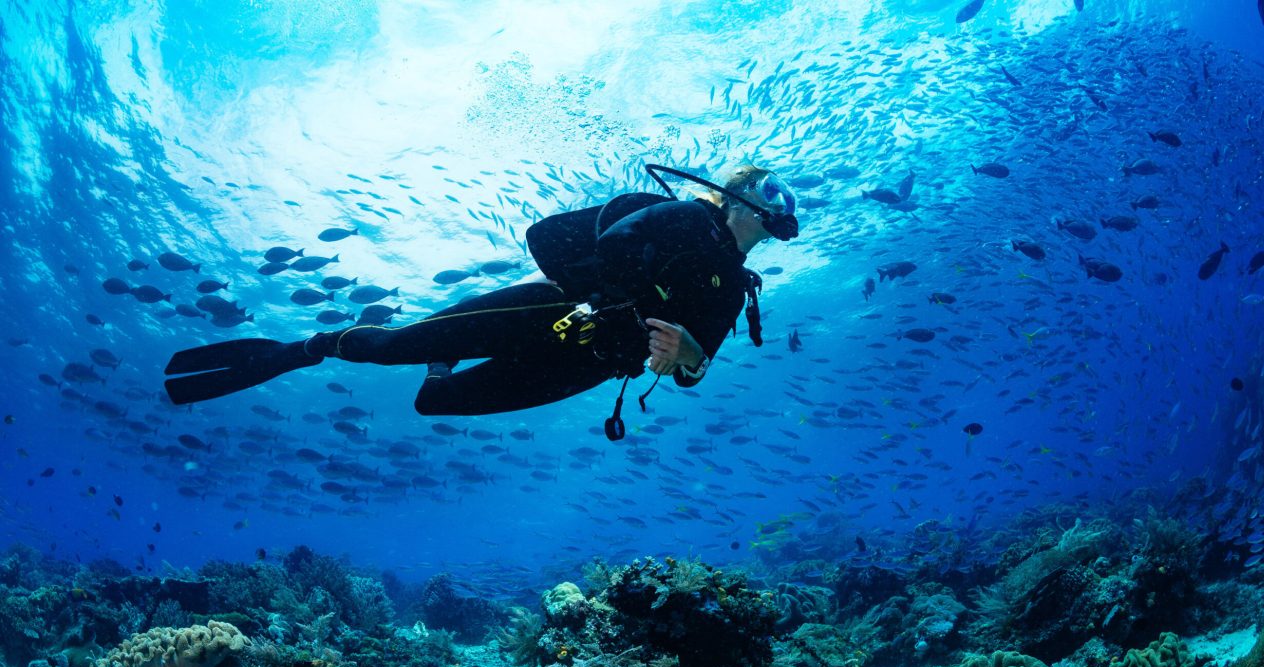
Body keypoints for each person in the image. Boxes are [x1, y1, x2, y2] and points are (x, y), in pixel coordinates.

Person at [163, 163, 799, 435]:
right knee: (392, 348)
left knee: (438, 401)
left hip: (592, 362)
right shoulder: (687, 217)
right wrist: (634, 307)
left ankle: (441, 369)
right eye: (772, 188)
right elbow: (614, 246)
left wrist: (687, 357)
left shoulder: (736, 287)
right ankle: (307, 347)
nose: (781, 203)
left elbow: (695, 370)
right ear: (738, 195)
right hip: (556, 310)